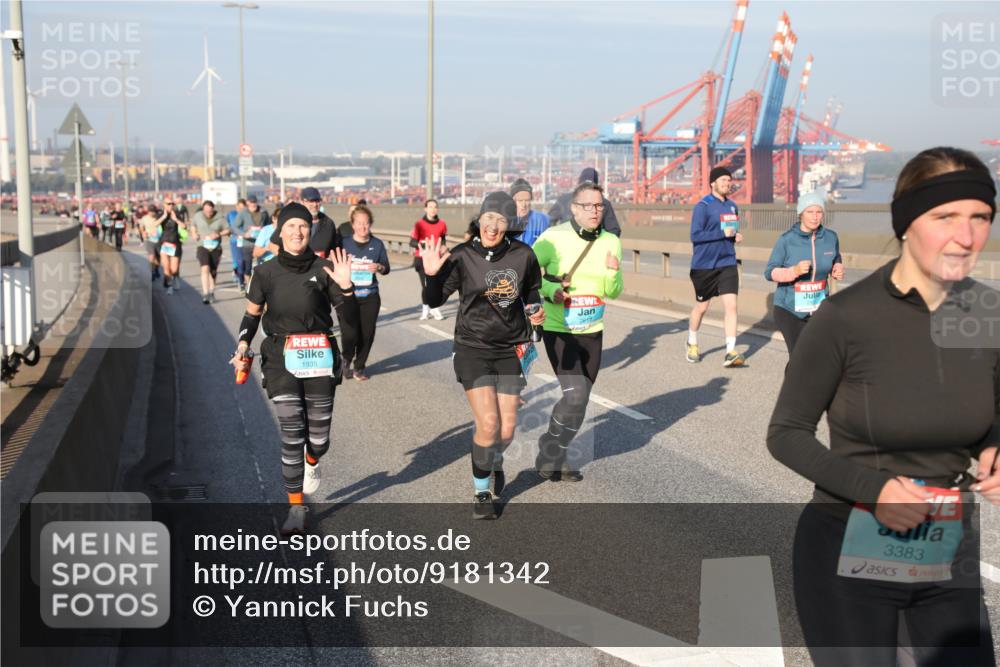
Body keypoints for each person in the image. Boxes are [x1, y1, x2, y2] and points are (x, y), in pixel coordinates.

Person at [767, 147, 998, 666]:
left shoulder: (989, 312)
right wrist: (876, 490)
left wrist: (994, 447)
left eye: (980, 217)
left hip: (946, 544)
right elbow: (785, 433)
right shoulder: (846, 317)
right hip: (849, 542)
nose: (966, 236)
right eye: (945, 217)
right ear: (906, 222)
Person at [230, 203, 359, 535]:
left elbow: (351, 323)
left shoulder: (325, 268)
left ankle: (312, 459)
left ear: (310, 230)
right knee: (291, 434)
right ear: (280, 231)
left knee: (318, 439)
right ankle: (295, 507)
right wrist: (243, 344)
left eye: (303, 226)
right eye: (290, 226)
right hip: (280, 356)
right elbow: (251, 315)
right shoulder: (265, 272)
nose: (297, 232)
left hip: (319, 356)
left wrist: (347, 289)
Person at [421, 191, 545, 519]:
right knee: (489, 423)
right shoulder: (462, 255)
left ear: (509, 225)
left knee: (505, 432)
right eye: (488, 218)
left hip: (510, 349)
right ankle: (481, 493)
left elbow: (533, 288)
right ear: (479, 220)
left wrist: (535, 308)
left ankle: (493, 459)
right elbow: (433, 301)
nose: (492, 226)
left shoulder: (523, 254)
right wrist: (431, 275)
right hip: (472, 348)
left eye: (500, 221)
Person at [533, 181, 623, 482]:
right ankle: (550, 447)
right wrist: (550, 289)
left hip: (592, 329)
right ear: (574, 208)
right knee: (576, 394)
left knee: (581, 399)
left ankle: (558, 452)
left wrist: (612, 271)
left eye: (599, 205)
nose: (595, 211)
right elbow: (527, 275)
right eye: (588, 205)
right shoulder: (553, 238)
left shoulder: (611, 240)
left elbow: (615, 290)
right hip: (559, 327)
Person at [765, 191, 845, 353]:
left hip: (819, 309)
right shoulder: (786, 240)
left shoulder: (831, 237)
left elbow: (836, 256)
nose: (815, 217)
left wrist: (837, 266)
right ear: (801, 214)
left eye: (818, 212)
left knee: (818, 357)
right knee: (799, 357)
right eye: (810, 212)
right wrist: (793, 271)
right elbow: (769, 272)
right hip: (790, 309)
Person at [686, 166, 744, 367]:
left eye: (729, 180)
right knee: (702, 307)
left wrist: (735, 236)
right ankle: (692, 342)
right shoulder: (702, 206)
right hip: (704, 265)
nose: (727, 183)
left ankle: (731, 351)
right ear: (713, 183)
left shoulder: (733, 206)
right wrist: (723, 233)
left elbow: (730, 233)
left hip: (727, 262)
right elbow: (696, 235)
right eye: (723, 180)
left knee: (732, 306)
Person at [339, 204, 389, 381]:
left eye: (366, 223)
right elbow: (333, 264)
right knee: (350, 334)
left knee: (367, 334)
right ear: (352, 224)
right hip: (347, 296)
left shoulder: (377, 245)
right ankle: (346, 358)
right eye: (359, 223)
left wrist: (379, 267)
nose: (362, 227)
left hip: (370, 296)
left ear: (370, 224)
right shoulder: (344, 243)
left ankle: (359, 367)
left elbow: (386, 268)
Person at [266, 187, 341, 260]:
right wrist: (289, 260)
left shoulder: (328, 223)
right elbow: (272, 245)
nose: (315, 204)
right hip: (294, 268)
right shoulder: (291, 220)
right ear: (302, 202)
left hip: (319, 269)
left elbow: (334, 249)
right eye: (311, 201)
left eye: (317, 201)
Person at [547, 168, 622, 237]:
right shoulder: (603, 203)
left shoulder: (563, 199)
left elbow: (548, 222)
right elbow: (614, 230)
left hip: (566, 245)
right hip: (592, 244)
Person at [409, 199, 447, 320]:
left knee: (437, 285)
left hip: (436, 260)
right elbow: (412, 242)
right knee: (426, 285)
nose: (433, 209)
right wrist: (426, 245)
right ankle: (427, 309)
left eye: (435, 207)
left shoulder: (442, 224)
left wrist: (443, 247)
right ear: (425, 209)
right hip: (422, 258)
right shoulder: (419, 224)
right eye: (430, 207)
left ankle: (433, 307)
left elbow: (443, 239)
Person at [190, 200, 229, 304]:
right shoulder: (198, 216)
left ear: (213, 209)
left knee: (213, 271)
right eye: (206, 211)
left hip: (215, 247)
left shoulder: (220, 217)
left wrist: (218, 234)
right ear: (203, 209)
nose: (208, 213)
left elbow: (228, 230)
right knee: (205, 268)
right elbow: (193, 225)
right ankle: (205, 294)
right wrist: (194, 233)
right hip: (202, 246)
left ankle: (211, 292)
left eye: (210, 211)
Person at [156, 200, 186, 295]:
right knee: (166, 267)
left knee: (174, 269)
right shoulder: (161, 214)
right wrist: (164, 217)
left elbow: (184, 226)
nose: (171, 205)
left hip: (175, 243)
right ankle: (169, 286)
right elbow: (155, 224)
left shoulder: (177, 214)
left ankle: (175, 276)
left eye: (172, 204)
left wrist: (176, 219)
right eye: (168, 204)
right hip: (164, 243)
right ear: (164, 205)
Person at [509, 178, 549, 247]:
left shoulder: (542, 220)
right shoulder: (506, 221)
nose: (524, 205)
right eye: (520, 200)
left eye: (527, 200)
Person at [228, 198, 249, 292]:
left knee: (246, 262)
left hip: (247, 241)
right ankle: (240, 281)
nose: (241, 209)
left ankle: (244, 280)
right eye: (239, 207)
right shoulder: (231, 214)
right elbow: (228, 226)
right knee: (238, 262)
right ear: (236, 207)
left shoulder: (248, 215)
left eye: (243, 207)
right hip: (235, 241)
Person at [139, 205, 162, 281]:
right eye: (151, 211)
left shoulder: (158, 218)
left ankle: (156, 269)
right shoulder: (144, 218)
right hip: (149, 239)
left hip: (158, 240)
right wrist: (143, 232)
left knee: (158, 259)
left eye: (153, 212)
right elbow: (141, 227)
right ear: (148, 211)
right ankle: (151, 272)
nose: (152, 213)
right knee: (151, 256)